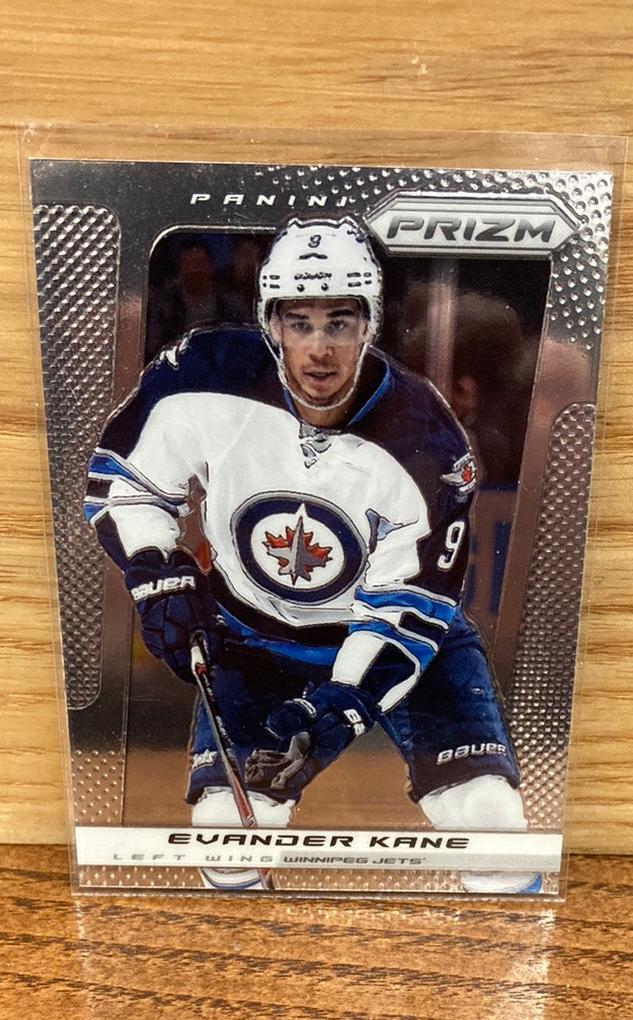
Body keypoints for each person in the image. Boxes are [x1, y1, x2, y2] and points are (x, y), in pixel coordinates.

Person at [84, 216, 539, 893]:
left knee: (492, 828)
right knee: (226, 844)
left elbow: (406, 609)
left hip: (394, 639)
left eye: (340, 322)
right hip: (251, 639)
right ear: (270, 324)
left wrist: (338, 711)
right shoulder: (203, 374)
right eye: (300, 323)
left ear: (370, 324)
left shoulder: (427, 440)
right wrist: (157, 572)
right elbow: (125, 482)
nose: (319, 349)